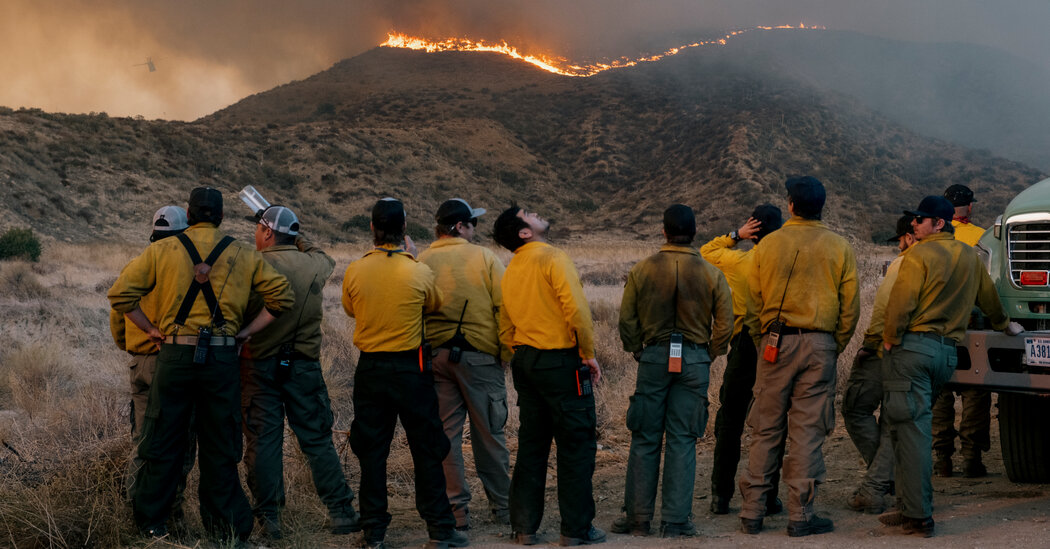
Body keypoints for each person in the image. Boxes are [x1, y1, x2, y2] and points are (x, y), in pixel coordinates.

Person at [108, 187, 294, 542]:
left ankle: (152, 524)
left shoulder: (162, 250)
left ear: (189, 216)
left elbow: (120, 295)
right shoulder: (241, 252)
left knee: (163, 440)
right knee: (220, 445)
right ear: (221, 218)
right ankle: (226, 531)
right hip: (222, 358)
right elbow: (282, 296)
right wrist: (244, 334)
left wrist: (151, 330)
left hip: (174, 355)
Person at [878, 196, 1019, 537]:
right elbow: (990, 301)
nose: (915, 224)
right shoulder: (970, 257)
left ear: (939, 223)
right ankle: (908, 503)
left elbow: (902, 302)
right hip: (946, 353)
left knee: (911, 432)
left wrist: (888, 338)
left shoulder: (918, 255)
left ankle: (918, 515)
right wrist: (1006, 326)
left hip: (913, 349)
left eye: (921, 219)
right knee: (910, 427)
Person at [738, 176, 860, 537]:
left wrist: (764, 341)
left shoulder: (766, 246)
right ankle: (800, 515)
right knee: (807, 431)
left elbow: (751, 301)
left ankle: (752, 512)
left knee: (766, 427)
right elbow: (849, 308)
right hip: (820, 344)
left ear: (790, 205)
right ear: (823, 205)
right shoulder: (840, 247)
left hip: (775, 345)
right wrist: (832, 343)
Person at [342, 198, 467, 549]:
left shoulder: (355, 270)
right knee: (427, 448)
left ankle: (373, 533)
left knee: (372, 452)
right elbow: (436, 304)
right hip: (412, 369)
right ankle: (440, 530)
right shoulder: (417, 270)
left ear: (372, 228)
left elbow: (350, 309)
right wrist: (411, 257)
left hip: (371, 369)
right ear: (405, 230)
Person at [611, 204, 733, 538]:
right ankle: (676, 521)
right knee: (683, 439)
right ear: (695, 233)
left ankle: (638, 519)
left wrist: (638, 348)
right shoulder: (711, 273)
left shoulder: (642, 270)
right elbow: (725, 324)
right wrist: (710, 353)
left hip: (653, 357)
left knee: (645, 437)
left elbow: (627, 320)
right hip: (694, 359)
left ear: (664, 231)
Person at [240, 204, 360, 540]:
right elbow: (320, 252)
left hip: (258, 366)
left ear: (266, 232)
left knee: (263, 444)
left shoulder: (252, 265)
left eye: (258, 229)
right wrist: (295, 235)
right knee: (317, 441)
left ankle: (270, 521)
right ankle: (341, 512)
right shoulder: (315, 264)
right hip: (304, 366)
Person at [493, 205, 605, 546]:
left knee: (532, 446)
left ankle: (524, 528)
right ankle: (575, 530)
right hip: (561, 363)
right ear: (524, 232)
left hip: (526, 362)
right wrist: (587, 353)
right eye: (528, 213)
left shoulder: (511, 269)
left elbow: (505, 324)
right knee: (576, 445)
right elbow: (576, 309)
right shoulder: (552, 257)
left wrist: (519, 352)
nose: (536, 213)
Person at [419, 199, 511, 532]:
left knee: (446, 438)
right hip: (480, 359)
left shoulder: (422, 260)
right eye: (472, 223)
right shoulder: (484, 257)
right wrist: (505, 352)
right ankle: (503, 508)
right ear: (460, 227)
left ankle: (456, 513)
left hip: (435, 359)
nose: (475, 229)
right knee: (490, 435)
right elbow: (505, 307)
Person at [110, 206, 195, 526]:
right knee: (180, 442)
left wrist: (136, 347)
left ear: (153, 234)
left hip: (141, 365)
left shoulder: (135, 267)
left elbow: (118, 320)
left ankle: (137, 514)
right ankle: (173, 514)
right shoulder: (187, 268)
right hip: (177, 364)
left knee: (143, 442)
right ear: (184, 234)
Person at [700, 204, 784, 516]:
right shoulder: (784, 261)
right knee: (773, 420)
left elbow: (705, 251)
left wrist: (736, 234)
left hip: (744, 342)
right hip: (779, 342)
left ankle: (720, 495)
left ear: (754, 231)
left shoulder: (737, 260)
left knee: (730, 419)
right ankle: (768, 495)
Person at [842, 215, 916, 514]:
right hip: (917, 351)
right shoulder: (943, 262)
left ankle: (879, 482)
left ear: (909, 237)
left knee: (854, 407)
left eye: (899, 240)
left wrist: (870, 344)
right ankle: (889, 481)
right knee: (891, 420)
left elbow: (885, 306)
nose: (898, 246)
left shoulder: (903, 263)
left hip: (885, 347)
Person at [931, 183, 992, 477]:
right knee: (975, 391)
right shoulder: (982, 237)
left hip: (937, 327)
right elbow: (988, 286)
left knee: (940, 392)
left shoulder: (929, 240)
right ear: (970, 207)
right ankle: (971, 458)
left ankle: (942, 459)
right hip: (971, 323)